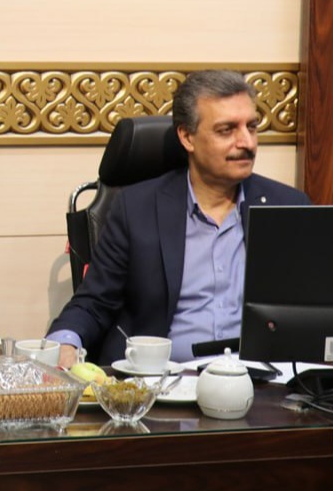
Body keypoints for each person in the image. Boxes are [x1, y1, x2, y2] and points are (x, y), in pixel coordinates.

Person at [48, 69, 310, 369]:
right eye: (227, 130)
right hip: (163, 380)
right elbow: (94, 302)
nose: (247, 142)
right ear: (187, 137)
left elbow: (314, 312)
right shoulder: (136, 209)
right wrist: (65, 342)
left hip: (262, 381)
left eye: (251, 127)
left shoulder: (288, 206)